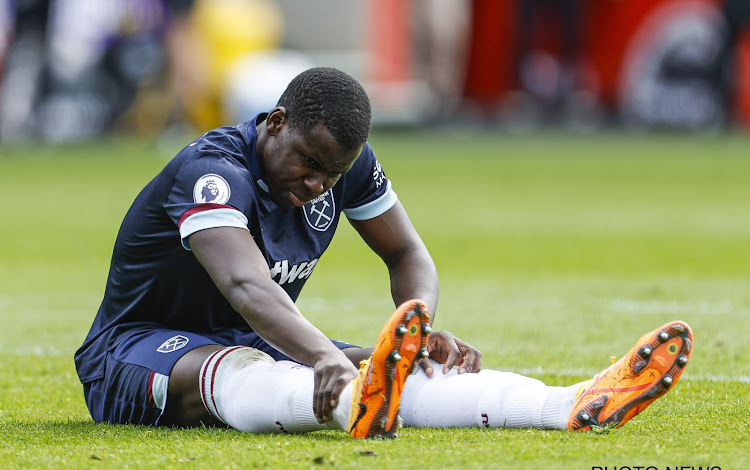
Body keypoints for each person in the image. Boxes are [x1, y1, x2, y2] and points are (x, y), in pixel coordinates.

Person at [74, 67, 693, 438]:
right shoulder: (212, 172)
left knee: (399, 369)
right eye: (309, 164)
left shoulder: (342, 165)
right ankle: (349, 403)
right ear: (276, 121)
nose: (318, 184)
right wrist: (323, 356)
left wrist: (418, 323)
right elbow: (247, 288)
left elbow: (408, 254)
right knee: (254, 375)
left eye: (332, 174)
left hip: (250, 336)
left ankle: (569, 403)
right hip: (133, 348)